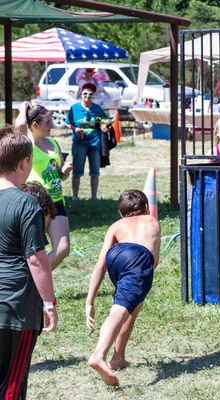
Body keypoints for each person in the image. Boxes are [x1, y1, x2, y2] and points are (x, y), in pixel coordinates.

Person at [0, 126, 57, 399]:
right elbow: (35, 259)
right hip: (16, 307)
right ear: (24, 163)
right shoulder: (26, 203)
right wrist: (49, 303)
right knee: (12, 385)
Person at [86, 189, 160, 386]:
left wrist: (89, 301)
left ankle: (118, 358)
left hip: (116, 256)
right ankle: (98, 355)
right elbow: (155, 261)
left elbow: (100, 265)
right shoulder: (152, 221)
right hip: (138, 258)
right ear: (146, 208)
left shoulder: (116, 226)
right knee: (119, 310)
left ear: (121, 213)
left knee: (131, 306)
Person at [15, 103, 73, 269]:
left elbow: (60, 175)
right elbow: (19, 126)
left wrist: (65, 171)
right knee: (32, 251)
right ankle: (30, 281)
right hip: (36, 202)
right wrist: (22, 109)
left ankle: (36, 281)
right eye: (47, 122)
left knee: (63, 248)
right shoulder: (27, 145)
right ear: (35, 125)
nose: (52, 124)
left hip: (56, 200)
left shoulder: (54, 143)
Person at [66, 82, 110, 200]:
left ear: (93, 95)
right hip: (79, 143)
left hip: (94, 143)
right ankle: (75, 196)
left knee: (95, 171)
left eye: (90, 94)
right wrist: (75, 129)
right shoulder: (74, 108)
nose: (87, 96)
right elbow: (68, 123)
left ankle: (94, 197)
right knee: (77, 171)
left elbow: (104, 120)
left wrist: (103, 126)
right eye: (85, 93)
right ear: (80, 93)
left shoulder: (97, 109)